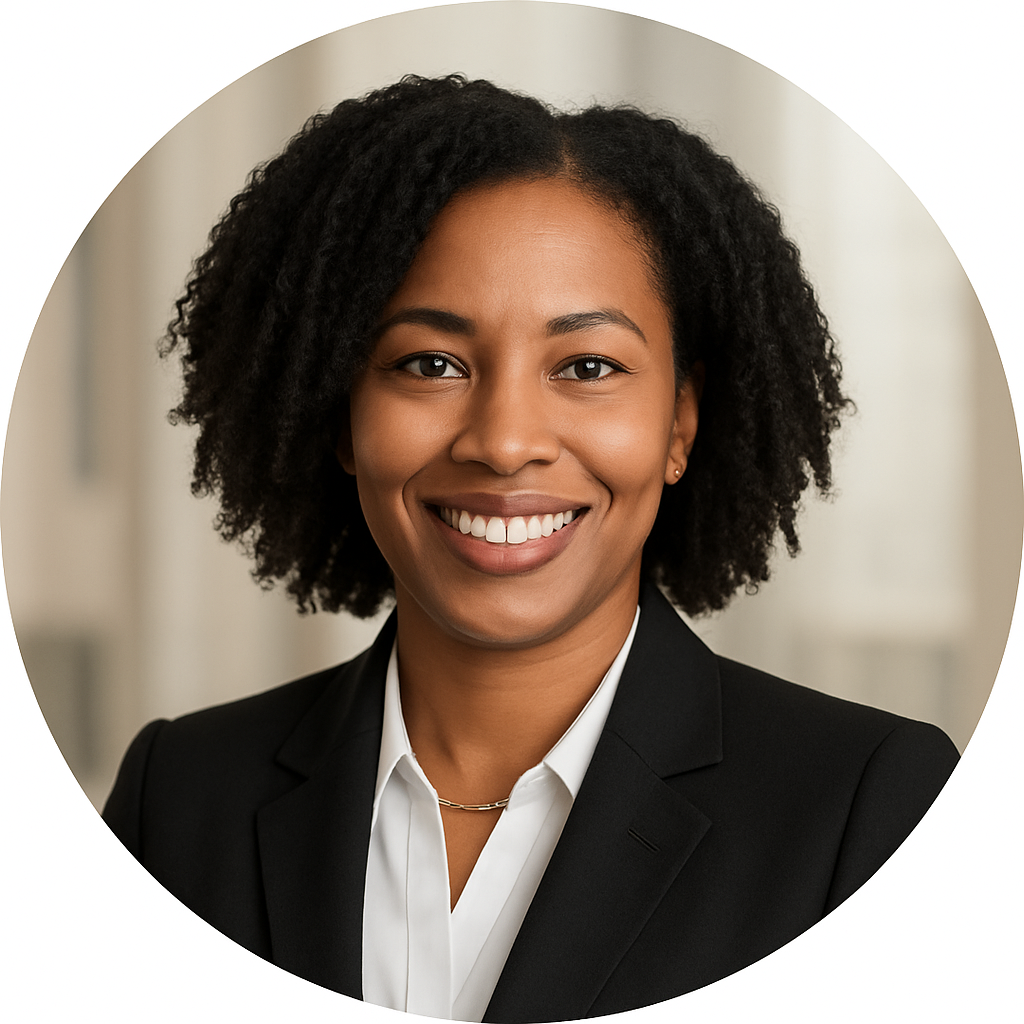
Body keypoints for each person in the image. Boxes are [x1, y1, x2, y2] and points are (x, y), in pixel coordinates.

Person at [103, 75, 958, 1022]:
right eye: (430, 364)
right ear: (343, 416)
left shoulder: (866, 810)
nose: (505, 441)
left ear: (680, 423)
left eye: (587, 367)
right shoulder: (179, 797)